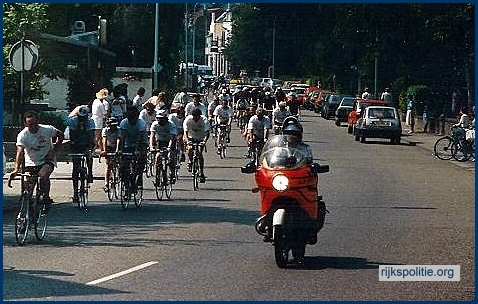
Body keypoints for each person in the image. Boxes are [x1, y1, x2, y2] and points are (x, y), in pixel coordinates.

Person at [8, 111, 64, 212]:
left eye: (35, 124)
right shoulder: (22, 135)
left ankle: (46, 198)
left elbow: (61, 135)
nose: (33, 127)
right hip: (31, 162)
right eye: (30, 125)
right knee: (28, 187)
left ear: (38, 121)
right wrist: (16, 169)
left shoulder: (47, 129)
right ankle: (29, 212)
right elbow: (19, 153)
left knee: (43, 175)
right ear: (25, 124)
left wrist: (54, 150)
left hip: (46, 160)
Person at [66, 105, 96, 204]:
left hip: (87, 143)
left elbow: (91, 135)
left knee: (88, 155)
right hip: (76, 143)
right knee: (75, 167)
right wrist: (73, 144)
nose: (82, 119)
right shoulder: (73, 121)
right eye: (80, 117)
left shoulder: (90, 121)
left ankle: (90, 172)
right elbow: (72, 135)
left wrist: (90, 148)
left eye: (84, 117)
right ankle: (75, 192)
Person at [118, 106, 148, 189]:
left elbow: (140, 138)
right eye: (130, 118)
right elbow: (122, 138)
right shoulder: (124, 123)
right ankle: (127, 186)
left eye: (133, 118)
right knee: (122, 167)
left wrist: (137, 150)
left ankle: (139, 175)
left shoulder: (141, 124)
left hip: (141, 143)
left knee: (141, 160)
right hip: (128, 144)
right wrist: (120, 150)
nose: (131, 120)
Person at [150, 109, 178, 184]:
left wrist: (169, 148)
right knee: (157, 157)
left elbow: (172, 138)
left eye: (161, 118)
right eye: (158, 118)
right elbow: (152, 136)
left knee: (170, 157)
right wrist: (151, 147)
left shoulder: (171, 124)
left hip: (169, 141)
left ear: (165, 118)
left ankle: (172, 174)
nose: (159, 120)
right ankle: (157, 176)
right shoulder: (155, 124)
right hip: (160, 141)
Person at [183, 108, 210, 183]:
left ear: (200, 116)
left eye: (197, 116)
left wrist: (204, 141)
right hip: (191, 137)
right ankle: (190, 161)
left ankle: (201, 172)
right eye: (194, 116)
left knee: (199, 153)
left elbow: (207, 133)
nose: (195, 118)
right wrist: (188, 141)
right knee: (190, 149)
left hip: (201, 137)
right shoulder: (188, 120)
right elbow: (185, 132)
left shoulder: (204, 120)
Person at [100, 117, 121, 192]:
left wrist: (117, 150)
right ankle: (106, 183)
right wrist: (105, 150)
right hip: (108, 146)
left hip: (116, 146)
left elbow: (119, 139)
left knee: (120, 162)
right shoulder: (105, 130)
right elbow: (104, 140)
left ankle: (119, 175)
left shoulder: (118, 130)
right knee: (108, 165)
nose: (113, 127)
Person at [91, 88, 109, 152]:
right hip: (98, 120)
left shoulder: (95, 101)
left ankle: (100, 149)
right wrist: (107, 118)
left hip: (94, 118)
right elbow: (105, 113)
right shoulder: (101, 104)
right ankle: (93, 150)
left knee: (98, 136)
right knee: (97, 136)